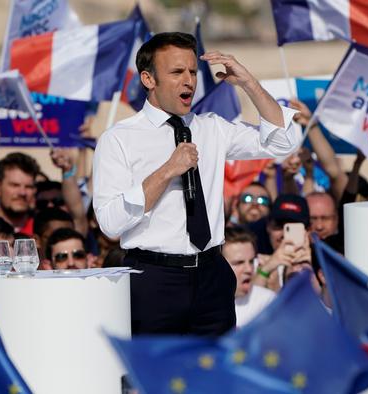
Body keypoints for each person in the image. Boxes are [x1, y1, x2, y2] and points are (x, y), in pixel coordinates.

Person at [92, 32, 299, 336]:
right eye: (177, 72)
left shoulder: (212, 127)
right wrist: (166, 171)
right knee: (159, 381)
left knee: (217, 379)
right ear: (149, 80)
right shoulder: (118, 139)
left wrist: (248, 83)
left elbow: (282, 143)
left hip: (212, 275)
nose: (189, 80)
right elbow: (110, 223)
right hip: (154, 280)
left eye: (192, 71)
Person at [222, 227, 275, 327]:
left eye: (251, 261)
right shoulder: (202, 305)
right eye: (239, 263)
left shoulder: (268, 302)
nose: (249, 269)